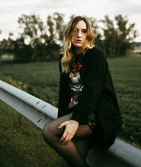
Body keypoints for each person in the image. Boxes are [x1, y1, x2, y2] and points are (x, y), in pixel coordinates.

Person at [42, 16, 122, 167]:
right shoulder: (65, 58)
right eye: (75, 31)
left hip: (96, 115)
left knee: (50, 132)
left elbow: (92, 91)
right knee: (72, 163)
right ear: (69, 34)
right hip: (78, 113)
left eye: (83, 31)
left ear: (88, 34)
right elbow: (65, 94)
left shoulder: (96, 55)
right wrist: (65, 118)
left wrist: (75, 121)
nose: (79, 35)